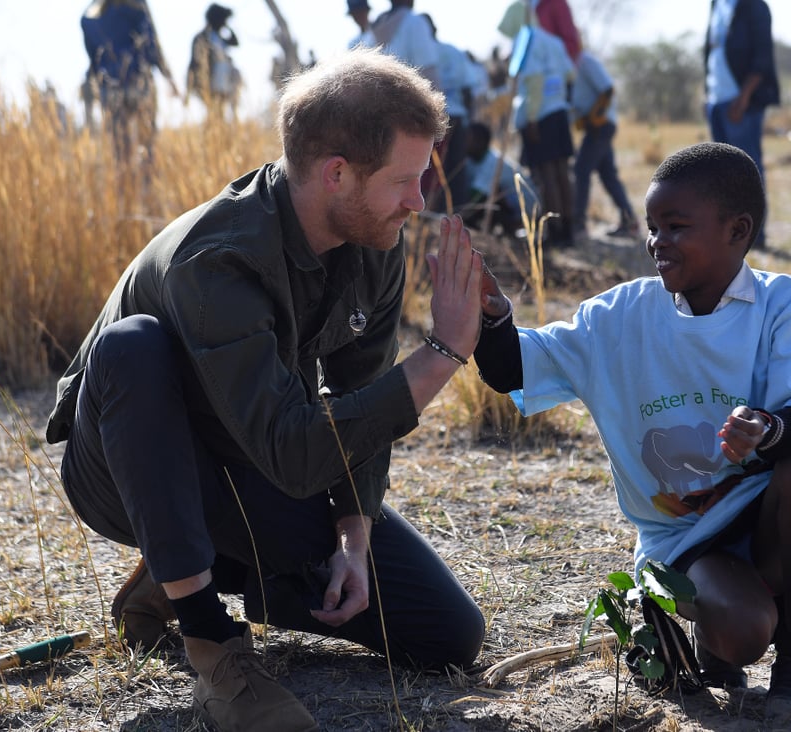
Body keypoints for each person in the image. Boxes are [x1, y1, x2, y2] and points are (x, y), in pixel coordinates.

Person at [45, 48, 486, 732]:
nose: (418, 201)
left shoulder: (374, 235)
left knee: (446, 634)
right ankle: (209, 640)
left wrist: (352, 537)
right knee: (133, 345)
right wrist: (443, 354)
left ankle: (172, 572)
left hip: (250, 455)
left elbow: (359, 398)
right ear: (337, 174)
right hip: (124, 468)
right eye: (405, 180)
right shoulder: (217, 259)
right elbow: (296, 454)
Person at [474, 142, 791, 727]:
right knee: (744, 632)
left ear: (738, 230)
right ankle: (696, 625)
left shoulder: (780, 304)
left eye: (677, 227)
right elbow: (512, 369)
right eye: (653, 227)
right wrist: (491, 317)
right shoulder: (618, 319)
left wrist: (768, 429)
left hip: (768, 517)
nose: (658, 242)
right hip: (683, 538)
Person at [498, 0, 576, 247]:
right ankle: (569, 228)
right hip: (559, 111)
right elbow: (569, 74)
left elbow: (533, 82)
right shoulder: (552, 40)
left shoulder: (528, 40)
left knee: (546, 174)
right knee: (562, 171)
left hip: (539, 115)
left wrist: (531, 118)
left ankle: (554, 228)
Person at [703, 0, 779, 249]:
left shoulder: (754, 6)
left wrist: (744, 97)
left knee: (747, 168)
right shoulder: (716, 4)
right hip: (716, 99)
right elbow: (712, 48)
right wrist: (708, 94)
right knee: (722, 171)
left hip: (741, 101)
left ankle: (756, 236)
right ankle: (730, 235)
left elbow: (762, 56)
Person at [80, 0, 179, 167]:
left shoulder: (89, 16)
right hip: (139, 83)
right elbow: (151, 45)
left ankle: (125, 189)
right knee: (147, 144)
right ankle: (147, 187)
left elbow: (94, 59)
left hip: (109, 88)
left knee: (119, 150)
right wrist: (168, 77)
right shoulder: (137, 6)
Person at [570, 48, 640, 239]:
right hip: (595, 127)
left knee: (581, 170)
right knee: (608, 175)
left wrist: (594, 117)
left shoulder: (585, 61)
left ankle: (579, 226)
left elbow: (608, 89)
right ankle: (630, 221)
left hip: (600, 127)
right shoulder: (573, 66)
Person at [422, 13, 477, 213]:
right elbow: (468, 90)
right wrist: (469, 121)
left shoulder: (421, 54)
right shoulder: (454, 52)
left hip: (435, 119)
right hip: (458, 117)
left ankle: (434, 218)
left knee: (432, 174)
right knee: (456, 171)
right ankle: (460, 219)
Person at [463, 120, 538, 237]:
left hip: (525, 209)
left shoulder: (492, 162)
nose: (465, 142)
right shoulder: (472, 160)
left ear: (480, 141)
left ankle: (510, 229)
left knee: (489, 197)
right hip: (512, 204)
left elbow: (477, 195)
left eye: (468, 138)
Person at [186, 3, 242, 121]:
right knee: (214, 115)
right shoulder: (202, 38)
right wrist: (189, 87)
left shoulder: (220, 38)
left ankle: (217, 136)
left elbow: (236, 42)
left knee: (219, 115)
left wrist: (227, 27)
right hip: (209, 84)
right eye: (223, 20)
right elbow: (194, 63)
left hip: (224, 84)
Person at [371, 0, 441, 90]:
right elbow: (429, 71)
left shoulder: (374, 29)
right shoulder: (415, 22)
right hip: (413, 97)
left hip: (384, 98)